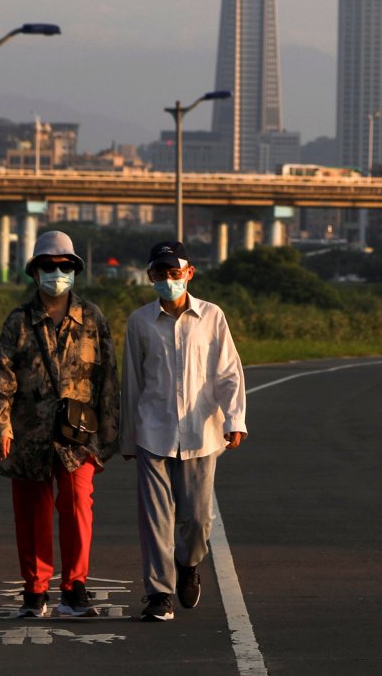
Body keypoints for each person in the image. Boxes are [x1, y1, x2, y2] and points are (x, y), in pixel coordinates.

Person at [0, 231, 120, 619]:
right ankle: (35, 590)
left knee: (78, 505)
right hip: (28, 431)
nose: (57, 273)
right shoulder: (19, 321)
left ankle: (75, 587)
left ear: (75, 270)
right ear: (35, 272)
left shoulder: (92, 318)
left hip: (78, 435)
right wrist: (1, 427)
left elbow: (107, 379)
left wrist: (108, 440)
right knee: (31, 512)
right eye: (49, 266)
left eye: (65, 266)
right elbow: (2, 376)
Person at [121, 240, 247, 623]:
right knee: (155, 518)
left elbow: (228, 372)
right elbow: (132, 381)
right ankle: (158, 593)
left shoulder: (212, 317)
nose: (167, 280)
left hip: (201, 433)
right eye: (160, 274)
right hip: (152, 432)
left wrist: (234, 418)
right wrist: (128, 437)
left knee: (197, 518)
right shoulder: (139, 322)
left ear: (190, 274)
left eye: (174, 274)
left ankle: (188, 563)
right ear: (150, 277)